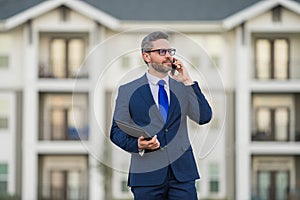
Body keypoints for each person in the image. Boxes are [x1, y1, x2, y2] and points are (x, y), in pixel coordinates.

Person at [110, 31, 212, 200]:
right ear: (146, 56)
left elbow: (204, 117)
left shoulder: (182, 88)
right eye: (162, 52)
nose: (169, 57)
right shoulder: (128, 91)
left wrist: (187, 81)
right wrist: (138, 144)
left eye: (170, 51)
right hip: (146, 176)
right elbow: (116, 132)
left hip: (182, 175)